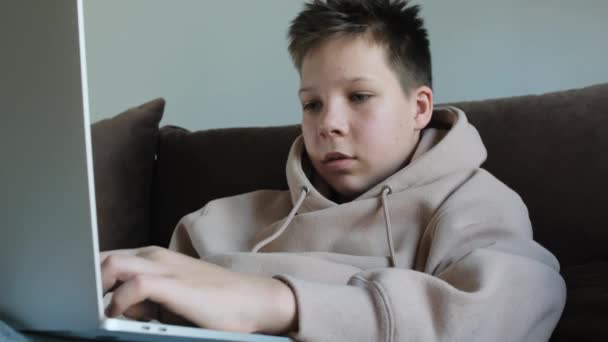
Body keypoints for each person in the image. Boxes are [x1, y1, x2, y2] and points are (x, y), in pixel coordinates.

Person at [101, 0, 566, 340]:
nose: (329, 124)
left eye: (359, 97)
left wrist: (277, 302)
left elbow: (507, 313)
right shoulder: (213, 225)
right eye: (312, 104)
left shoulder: (473, 205)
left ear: (419, 106)